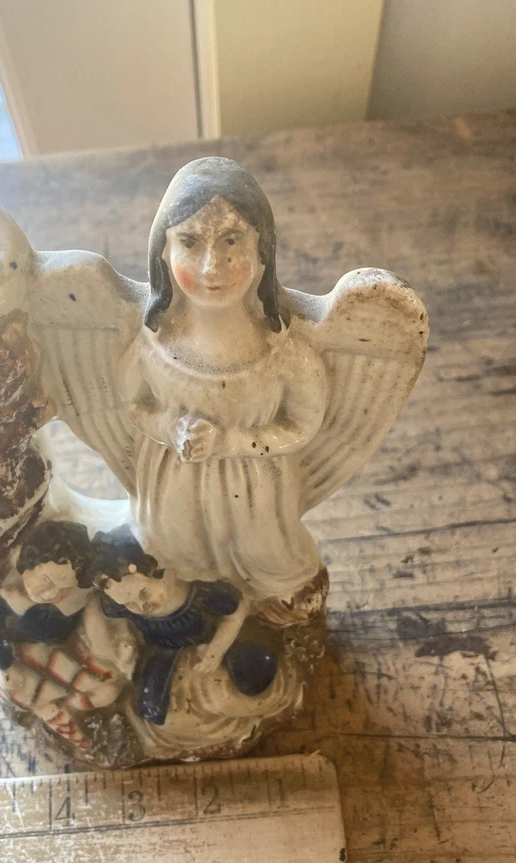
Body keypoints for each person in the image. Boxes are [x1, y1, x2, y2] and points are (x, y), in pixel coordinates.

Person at [124, 157, 327, 601]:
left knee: (275, 567)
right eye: (190, 242)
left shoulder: (283, 354)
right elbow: (135, 405)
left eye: (231, 240)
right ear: (164, 251)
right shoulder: (152, 344)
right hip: (175, 485)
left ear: (262, 251)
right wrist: (172, 428)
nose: (211, 266)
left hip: (254, 493)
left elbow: (303, 424)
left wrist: (233, 441)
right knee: (175, 557)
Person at [90, 526, 278, 725]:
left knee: (255, 672)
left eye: (144, 593)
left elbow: (234, 614)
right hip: (162, 649)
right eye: (129, 604)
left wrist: (216, 650)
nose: (142, 607)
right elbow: (117, 622)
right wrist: (124, 640)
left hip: (210, 639)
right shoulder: (120, 605)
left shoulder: (201, 591)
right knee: (150, 708)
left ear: (156, 571)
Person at [0, 520, 136, 743]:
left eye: (65, 588)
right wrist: (4, 662)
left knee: (105, 682)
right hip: (26, 644)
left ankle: (86, 702)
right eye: (46, 583)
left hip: (69, 639)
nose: (52, 595)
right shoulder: (8, 593)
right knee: (29, 689)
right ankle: (63, 714)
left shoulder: (81, 593)